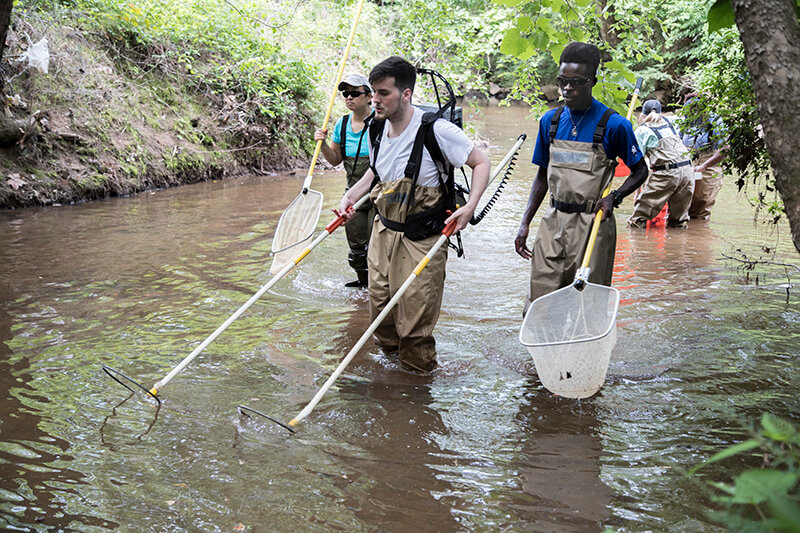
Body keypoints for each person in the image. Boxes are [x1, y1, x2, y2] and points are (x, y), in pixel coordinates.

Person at [339, 56, 491, 374]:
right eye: (374, 92)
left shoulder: (438, 130)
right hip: (383, 229)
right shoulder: (376, 129)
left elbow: (481, 162)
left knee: (414, 313)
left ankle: (419, 379)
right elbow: (377, 173)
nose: (375, 100)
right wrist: (350, 197)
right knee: (380, 306)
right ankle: (392, 372)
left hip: (423, 234)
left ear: (405, 95)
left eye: (383, 93)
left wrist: (471, 205)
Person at [514, 42, 648, 312]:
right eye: (563, 80)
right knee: (539, 302)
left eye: (576, 82)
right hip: (553, 222)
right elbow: (542, 176)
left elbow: (641, 170)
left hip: (593, 224)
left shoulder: (614, 125)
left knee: (587, 304)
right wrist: (525, 222)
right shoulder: (549, 122)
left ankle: (584, 351)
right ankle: (542, 352)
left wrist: (615, 197)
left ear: (592, 82)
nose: (567, 88)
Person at [315, 73, 375, 288]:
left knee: (379, 244)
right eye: (346, 94)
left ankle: (381, 286)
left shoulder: (381, 121)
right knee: (357, 244)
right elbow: (335, 160)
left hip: (379, 193)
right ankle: (363, 283)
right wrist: (322, 145)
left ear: (369, 97)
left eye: (355, 93)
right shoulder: (341, 125)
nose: (349, 98)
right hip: (353, 193)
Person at [627, 99, 694, 228]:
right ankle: (678, 245)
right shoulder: (673, 121)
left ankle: (636, 244)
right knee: (679, 221)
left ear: (642, 115)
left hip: (667, 173)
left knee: (638, 219)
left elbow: (637, 162)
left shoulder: (642, 131)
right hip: (688, 170)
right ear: (661, 112)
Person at [680, 92, 729, 220]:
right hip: (687, 160)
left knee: (701, 204)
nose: (692, 113)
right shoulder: (685, 119)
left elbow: (726, 149)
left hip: (708, 163)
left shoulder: (715, 121)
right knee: (679, 203)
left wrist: (704, 166)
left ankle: (699, 234)